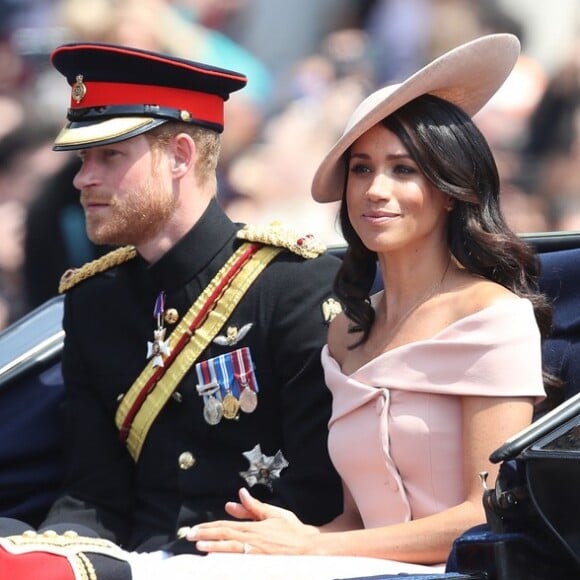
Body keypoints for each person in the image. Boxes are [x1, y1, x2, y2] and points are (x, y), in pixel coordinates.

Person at [184, 33, 553, 568]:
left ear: (450, 190)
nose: (375, 189)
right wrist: (274, 544)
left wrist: (312, 545)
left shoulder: (493, 316)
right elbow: (361, 524)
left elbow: (483, 515)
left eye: (403, 169)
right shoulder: (347, 333)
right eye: (361, 169)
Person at [0, 42, 343, 578]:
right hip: (136, 561)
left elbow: (318, 495)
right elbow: (92, 494)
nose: (82, 178)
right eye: (84, 158)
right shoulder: (96, 299)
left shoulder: (294, 285)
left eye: (109, 156)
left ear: (181, 156)